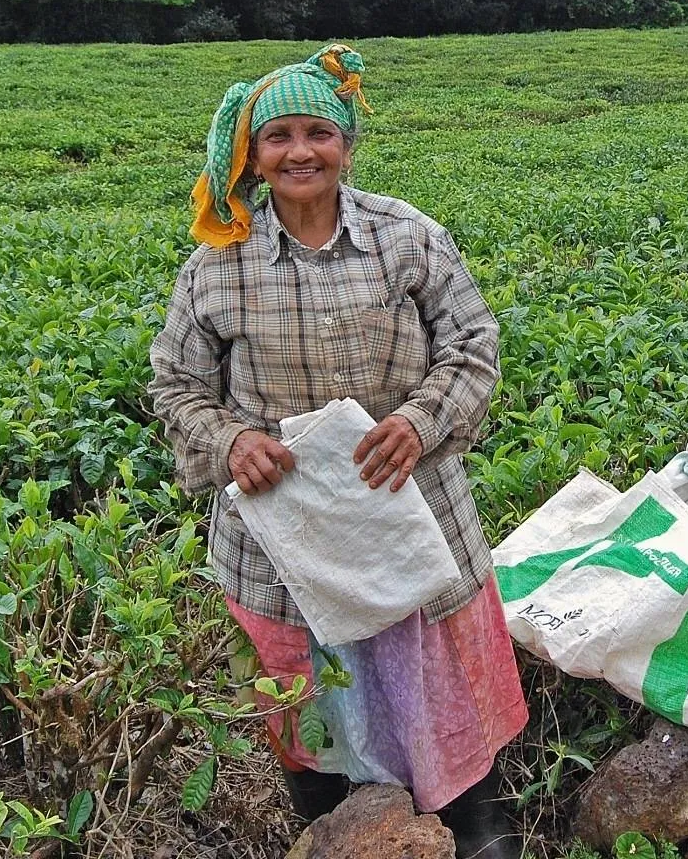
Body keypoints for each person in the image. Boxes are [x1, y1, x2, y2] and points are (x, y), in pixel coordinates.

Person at [148, 45, 528, 858]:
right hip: (282, 535)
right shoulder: (217, 266)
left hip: (412, 505)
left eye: (318, 132)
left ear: (347, 145)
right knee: (308, 698)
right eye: (278, 136)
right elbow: (176, 385)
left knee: (436, 677)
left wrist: (420, 421)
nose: (300, 152)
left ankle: (473, 823)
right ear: (253, 155)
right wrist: (231, 441)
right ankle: (333, 825)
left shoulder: (407, 236)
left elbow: (473, 344)